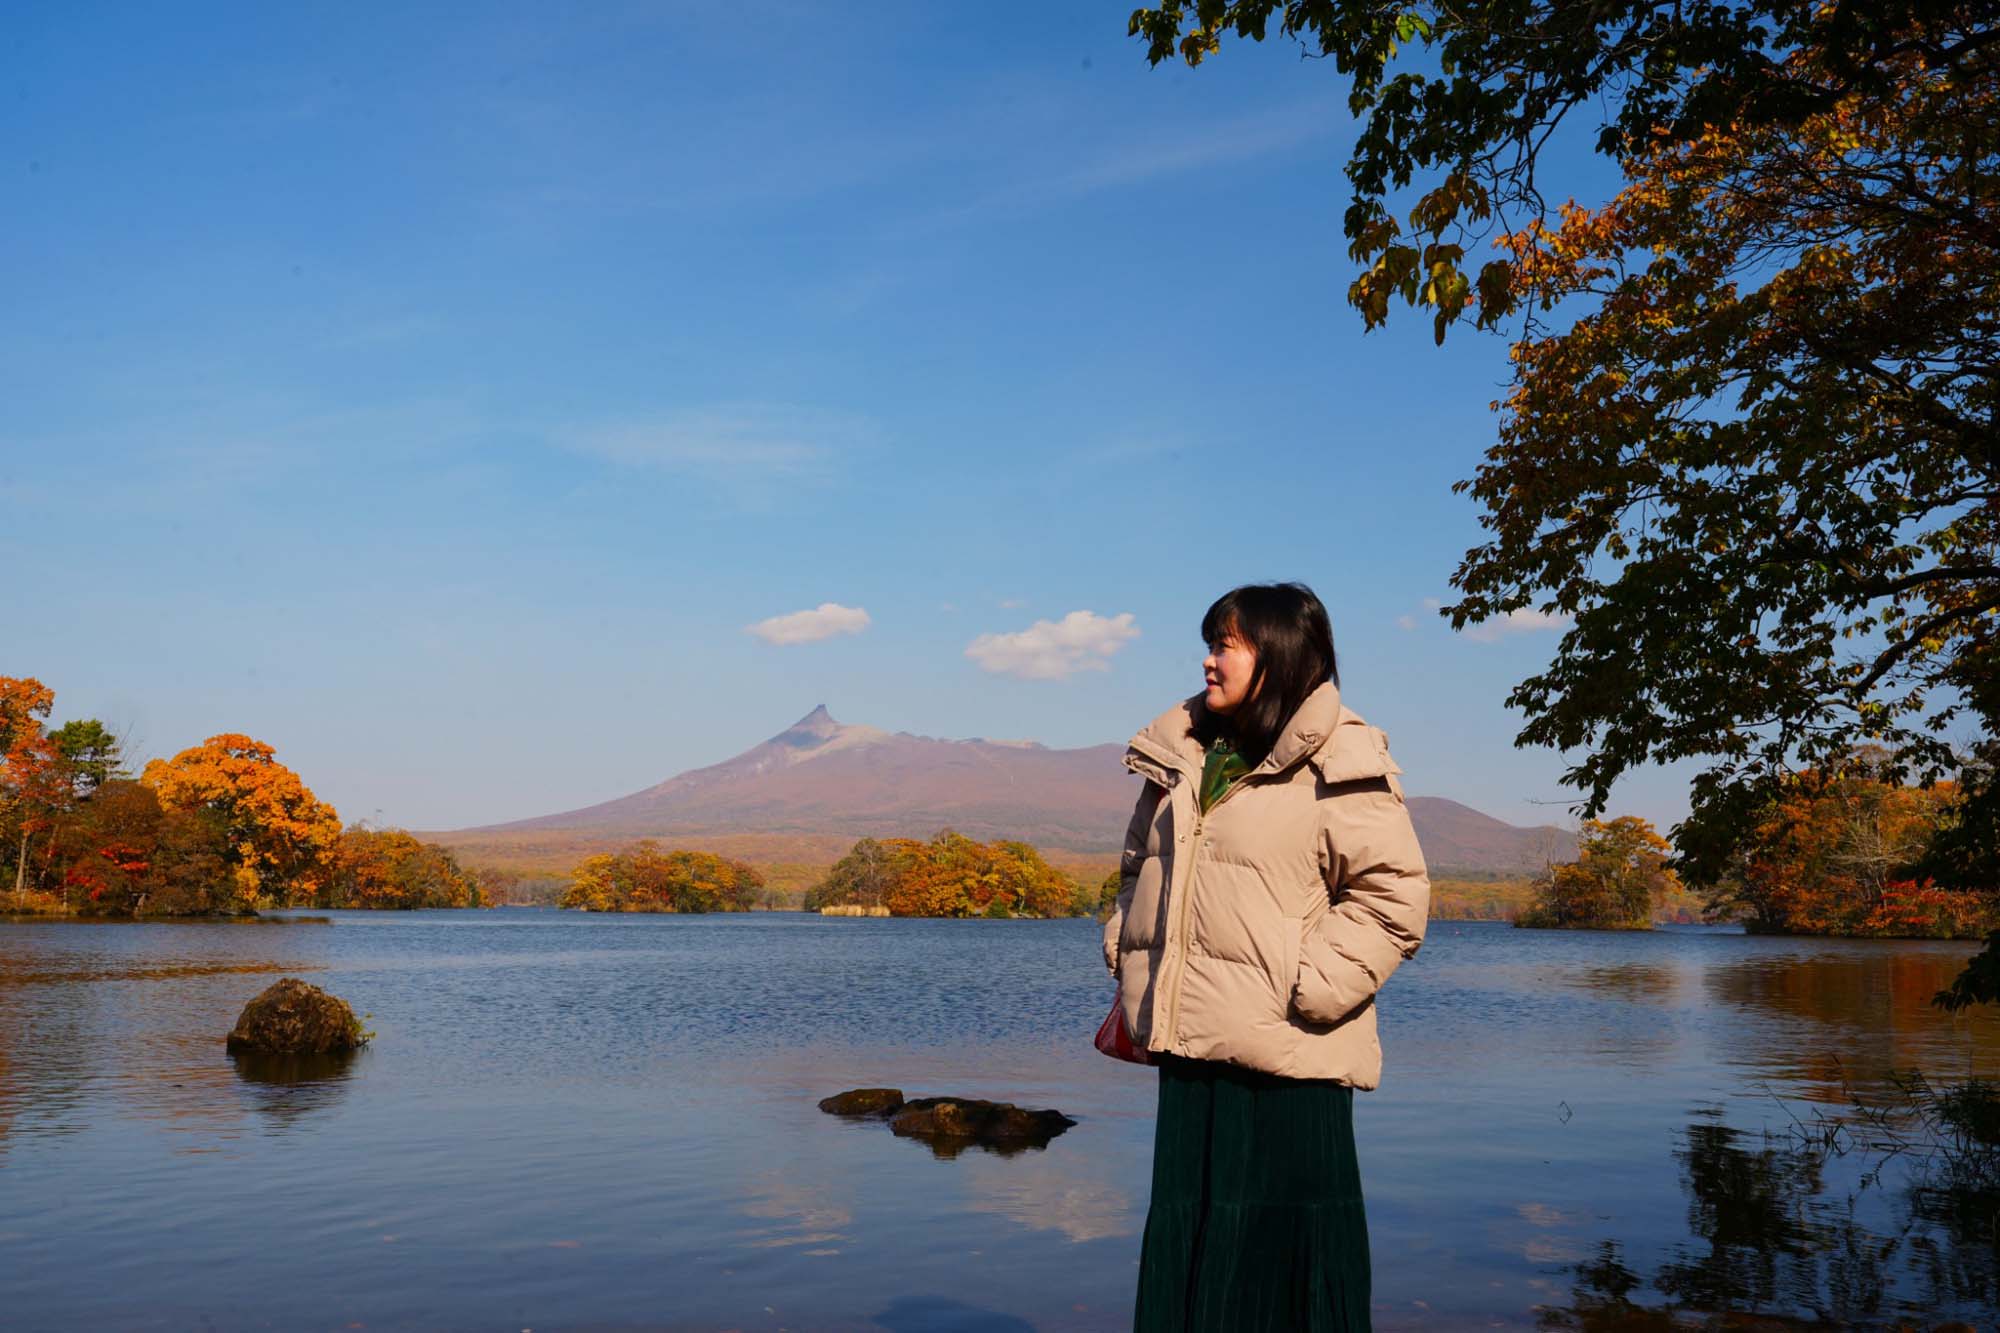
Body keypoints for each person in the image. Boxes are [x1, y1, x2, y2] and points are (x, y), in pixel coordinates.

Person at [1102, 582, 1430, 1332]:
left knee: (1287, 1256)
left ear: (1277, 656)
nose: (1209, 663)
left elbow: (1394, 897)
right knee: (1194, 1247)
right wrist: (1128, 949)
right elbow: (1135, 870)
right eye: (1211, 644)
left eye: (1226, 645)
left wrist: (1307, 987)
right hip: (1190, 1050)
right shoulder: (1185, 755)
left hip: (1293, 1058)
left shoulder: (1341, 757)